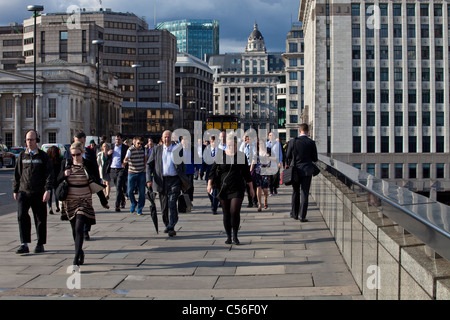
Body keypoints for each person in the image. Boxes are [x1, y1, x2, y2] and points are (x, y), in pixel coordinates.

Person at [57, 142, 109, 267]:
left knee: (80, 226)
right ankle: (79, 251)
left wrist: (103, 201)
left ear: (82, 153)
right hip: (69, 201)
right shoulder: (66, 164)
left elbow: (96, 183)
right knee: (74, 229)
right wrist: (64, 174)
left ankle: (75, 259)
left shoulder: (89, 165)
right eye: (73, 155)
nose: (75, 157)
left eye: (78, 154)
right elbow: (56, 180)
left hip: (84, 200)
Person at [207, 133, 254, 245]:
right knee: (226, 213)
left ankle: (235, 236)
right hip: (223, 188)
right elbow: (212, 172)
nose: (231, 147)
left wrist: (251, 188)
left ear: (236, 144)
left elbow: (247, 174)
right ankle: (228, 236)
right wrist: (209, 184)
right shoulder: (220, 155)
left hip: (238, 188)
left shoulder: (241, 156)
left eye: (232, 145)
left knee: (234, 211)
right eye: (228, 145)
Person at [13, 130, 53, 254]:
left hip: (38, 192)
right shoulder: (22, 156)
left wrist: (48, 189)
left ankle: (40, 243)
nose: (29, 142)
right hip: (24, 191)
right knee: (21, 216)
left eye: (32, 140)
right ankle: (24, 243)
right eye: (27, 140)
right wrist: (15, 189)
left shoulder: (42, 156)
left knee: (40, 218)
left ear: (37, 140)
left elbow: (49, 174)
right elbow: (17, 174)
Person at [146, 130, 190, 237]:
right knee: (164, 207)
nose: (167, 139)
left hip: (174, 181)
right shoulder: (156, 150)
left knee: (172, 203)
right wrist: (149, 179)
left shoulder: (177, 150)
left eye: (169, 137)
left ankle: (172, 225)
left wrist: (184, 182)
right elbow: (149, 165)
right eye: (165, 137)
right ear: (162, 138)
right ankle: (168, 225)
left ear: (172, 138)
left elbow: (182, 166)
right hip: (161, 181)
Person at [286, 123, 318, 222]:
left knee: (295, 192)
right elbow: (315, 159)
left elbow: (288, 156)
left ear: (299, 131)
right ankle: (302, 216)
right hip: (307, 171)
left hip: (295, 171)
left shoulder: (293, 142)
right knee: (305, 193)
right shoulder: (311, 143)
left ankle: (294, 214)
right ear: (308, 131)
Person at [123, 136, 147, 215]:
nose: (140, 145)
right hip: (132, 172)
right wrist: (124, 162)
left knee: (142, 192)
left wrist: (144, 168)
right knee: (129, 191)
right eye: (138, 143)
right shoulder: (130, 150)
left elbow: (145, 159)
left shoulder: (144, 149)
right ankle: (133, 203)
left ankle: (139, 208)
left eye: (141, 144)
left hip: (141, 173)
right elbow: (126, 158)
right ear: (134, 142)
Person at [108, 133, 129, 212]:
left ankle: (117, 205)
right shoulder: (112, 147)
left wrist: (125, 163)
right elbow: (108, 159)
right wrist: (108, 154)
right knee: (118, 187)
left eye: (119, 139)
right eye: (116, 139)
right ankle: (123, 200)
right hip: (113, 169)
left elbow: (128, 158)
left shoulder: (125, 148)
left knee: (119, 186)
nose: (117, 141)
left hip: (121, 169)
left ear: (121, 140)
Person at [250, 140, 270, 212]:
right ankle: (259, 204)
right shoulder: (256, 153)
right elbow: (253, 162)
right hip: (258, 172)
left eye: (262, 144)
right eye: (259, 144)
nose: (261, 145)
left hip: (266, 172)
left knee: (265, 189)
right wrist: (250, 171)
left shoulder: (268, 152)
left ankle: (265, 199)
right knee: (258, 187)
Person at [46, 146, 62, 215]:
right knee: (56, 193)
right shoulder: (59, 159)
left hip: (49, 179)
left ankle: (50, 207)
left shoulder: (48, 160)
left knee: (49, 192)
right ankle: (57, 206)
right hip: (57, 178)